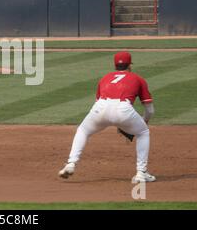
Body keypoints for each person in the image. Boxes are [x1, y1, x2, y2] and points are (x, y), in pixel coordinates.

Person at [58, 52, 156, 183]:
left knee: (83, 130)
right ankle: (141, 173)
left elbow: (103, 104)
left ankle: (71, 164)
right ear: (130, 65)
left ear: (115, 65)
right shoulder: (138, 79)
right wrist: (143, 122)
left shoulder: (105, 78)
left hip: (100, 107)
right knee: (143, 132)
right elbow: (149, 110)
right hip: (123, 109)